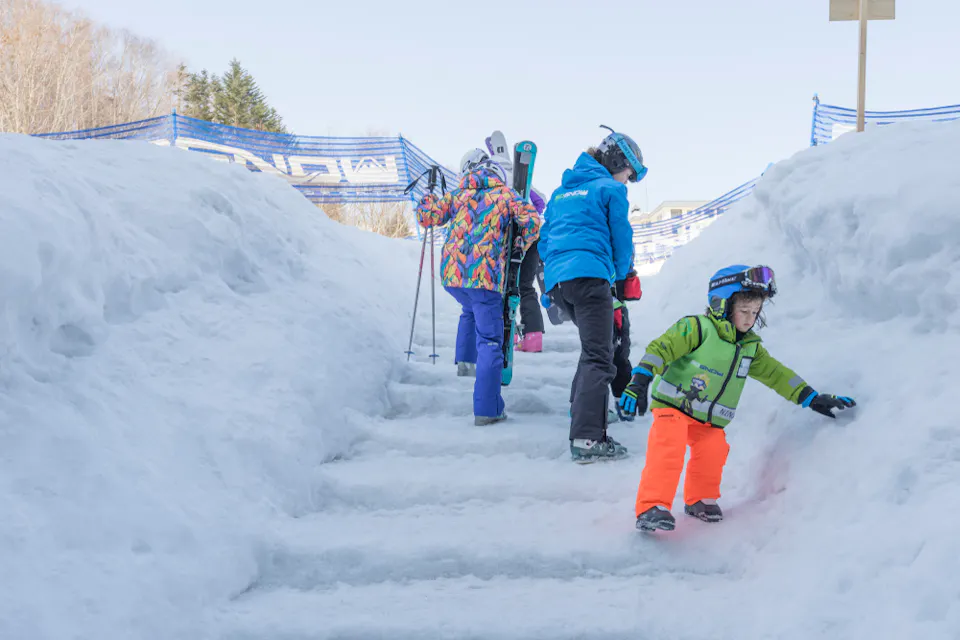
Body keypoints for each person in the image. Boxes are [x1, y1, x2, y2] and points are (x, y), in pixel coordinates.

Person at [618, 264, 857, 532]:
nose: (749, 319)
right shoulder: (698, 328)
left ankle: (699, 500)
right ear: (721, 304)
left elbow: (776, 374)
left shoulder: (749, 348)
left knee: (714, 450)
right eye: (743, 311)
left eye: (755, 312)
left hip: (709, 422)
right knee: (669, 447)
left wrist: (811, 397)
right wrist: (640, 380)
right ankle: (652, 506)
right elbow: (660, 349)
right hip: (674, 407)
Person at [539, 125, 647, 463]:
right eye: (628, 175)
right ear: (617, 161)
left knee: (593, 350)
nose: (626, 182)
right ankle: (588, 438)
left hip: (560, 283)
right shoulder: (609, 190)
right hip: (591, 278)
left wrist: (549, 288)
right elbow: (621, 238)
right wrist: (621, 274)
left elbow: (544, 241)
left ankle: (583, 413)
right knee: (600, 355)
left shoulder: (560, 193)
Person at [416, 148, 540, 426]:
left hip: (451, 275)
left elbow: (427, 216)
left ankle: (465, 362)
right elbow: (532, 221)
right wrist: (521, 244)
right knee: (491, 340)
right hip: (484, 279)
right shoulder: (506, 195)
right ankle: (488, 409)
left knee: (468, 308)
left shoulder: (459, 194)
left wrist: (427, 197)